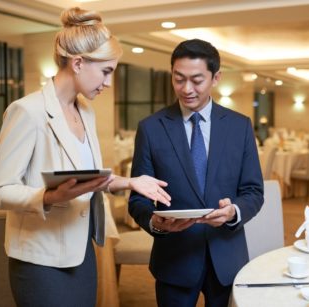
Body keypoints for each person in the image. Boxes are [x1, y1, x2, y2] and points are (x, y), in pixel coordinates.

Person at [0, 7, 170, 307]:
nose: (108, 82)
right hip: (41, 260)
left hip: (82, 251)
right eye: (106, 71)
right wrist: (49, 196)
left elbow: (87, 177)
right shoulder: (27, 112)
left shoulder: (85, 111)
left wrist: (129, 182)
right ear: (77, 63)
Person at [128, 38, 264, 307]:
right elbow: (138, 200)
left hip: (227, 258)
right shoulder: (151, 128)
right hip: (175, 259)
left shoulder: (240, 126)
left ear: (216, 77)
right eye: (179, 79)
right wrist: (155, 223)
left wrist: (233, 212)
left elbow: (253, 191)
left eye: (197, 80)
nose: (186, 89)